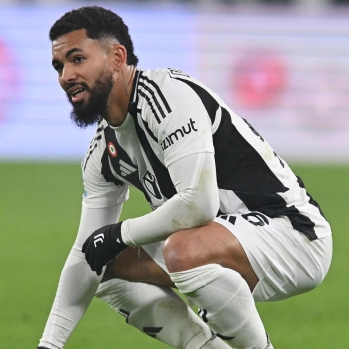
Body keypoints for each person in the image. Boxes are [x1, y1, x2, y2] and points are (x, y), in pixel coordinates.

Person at [38, 6, 333, 349]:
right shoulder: (102, 153)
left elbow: (198, 204)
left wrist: (122, 233)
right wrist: (50, 344)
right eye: (59, 66)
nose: (66, 76)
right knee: (100, 265)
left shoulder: (168, 96)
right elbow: (84, 253)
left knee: (182, 248)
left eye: (77, 59)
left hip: (293, 234)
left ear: (117, 57)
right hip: (218, 241)